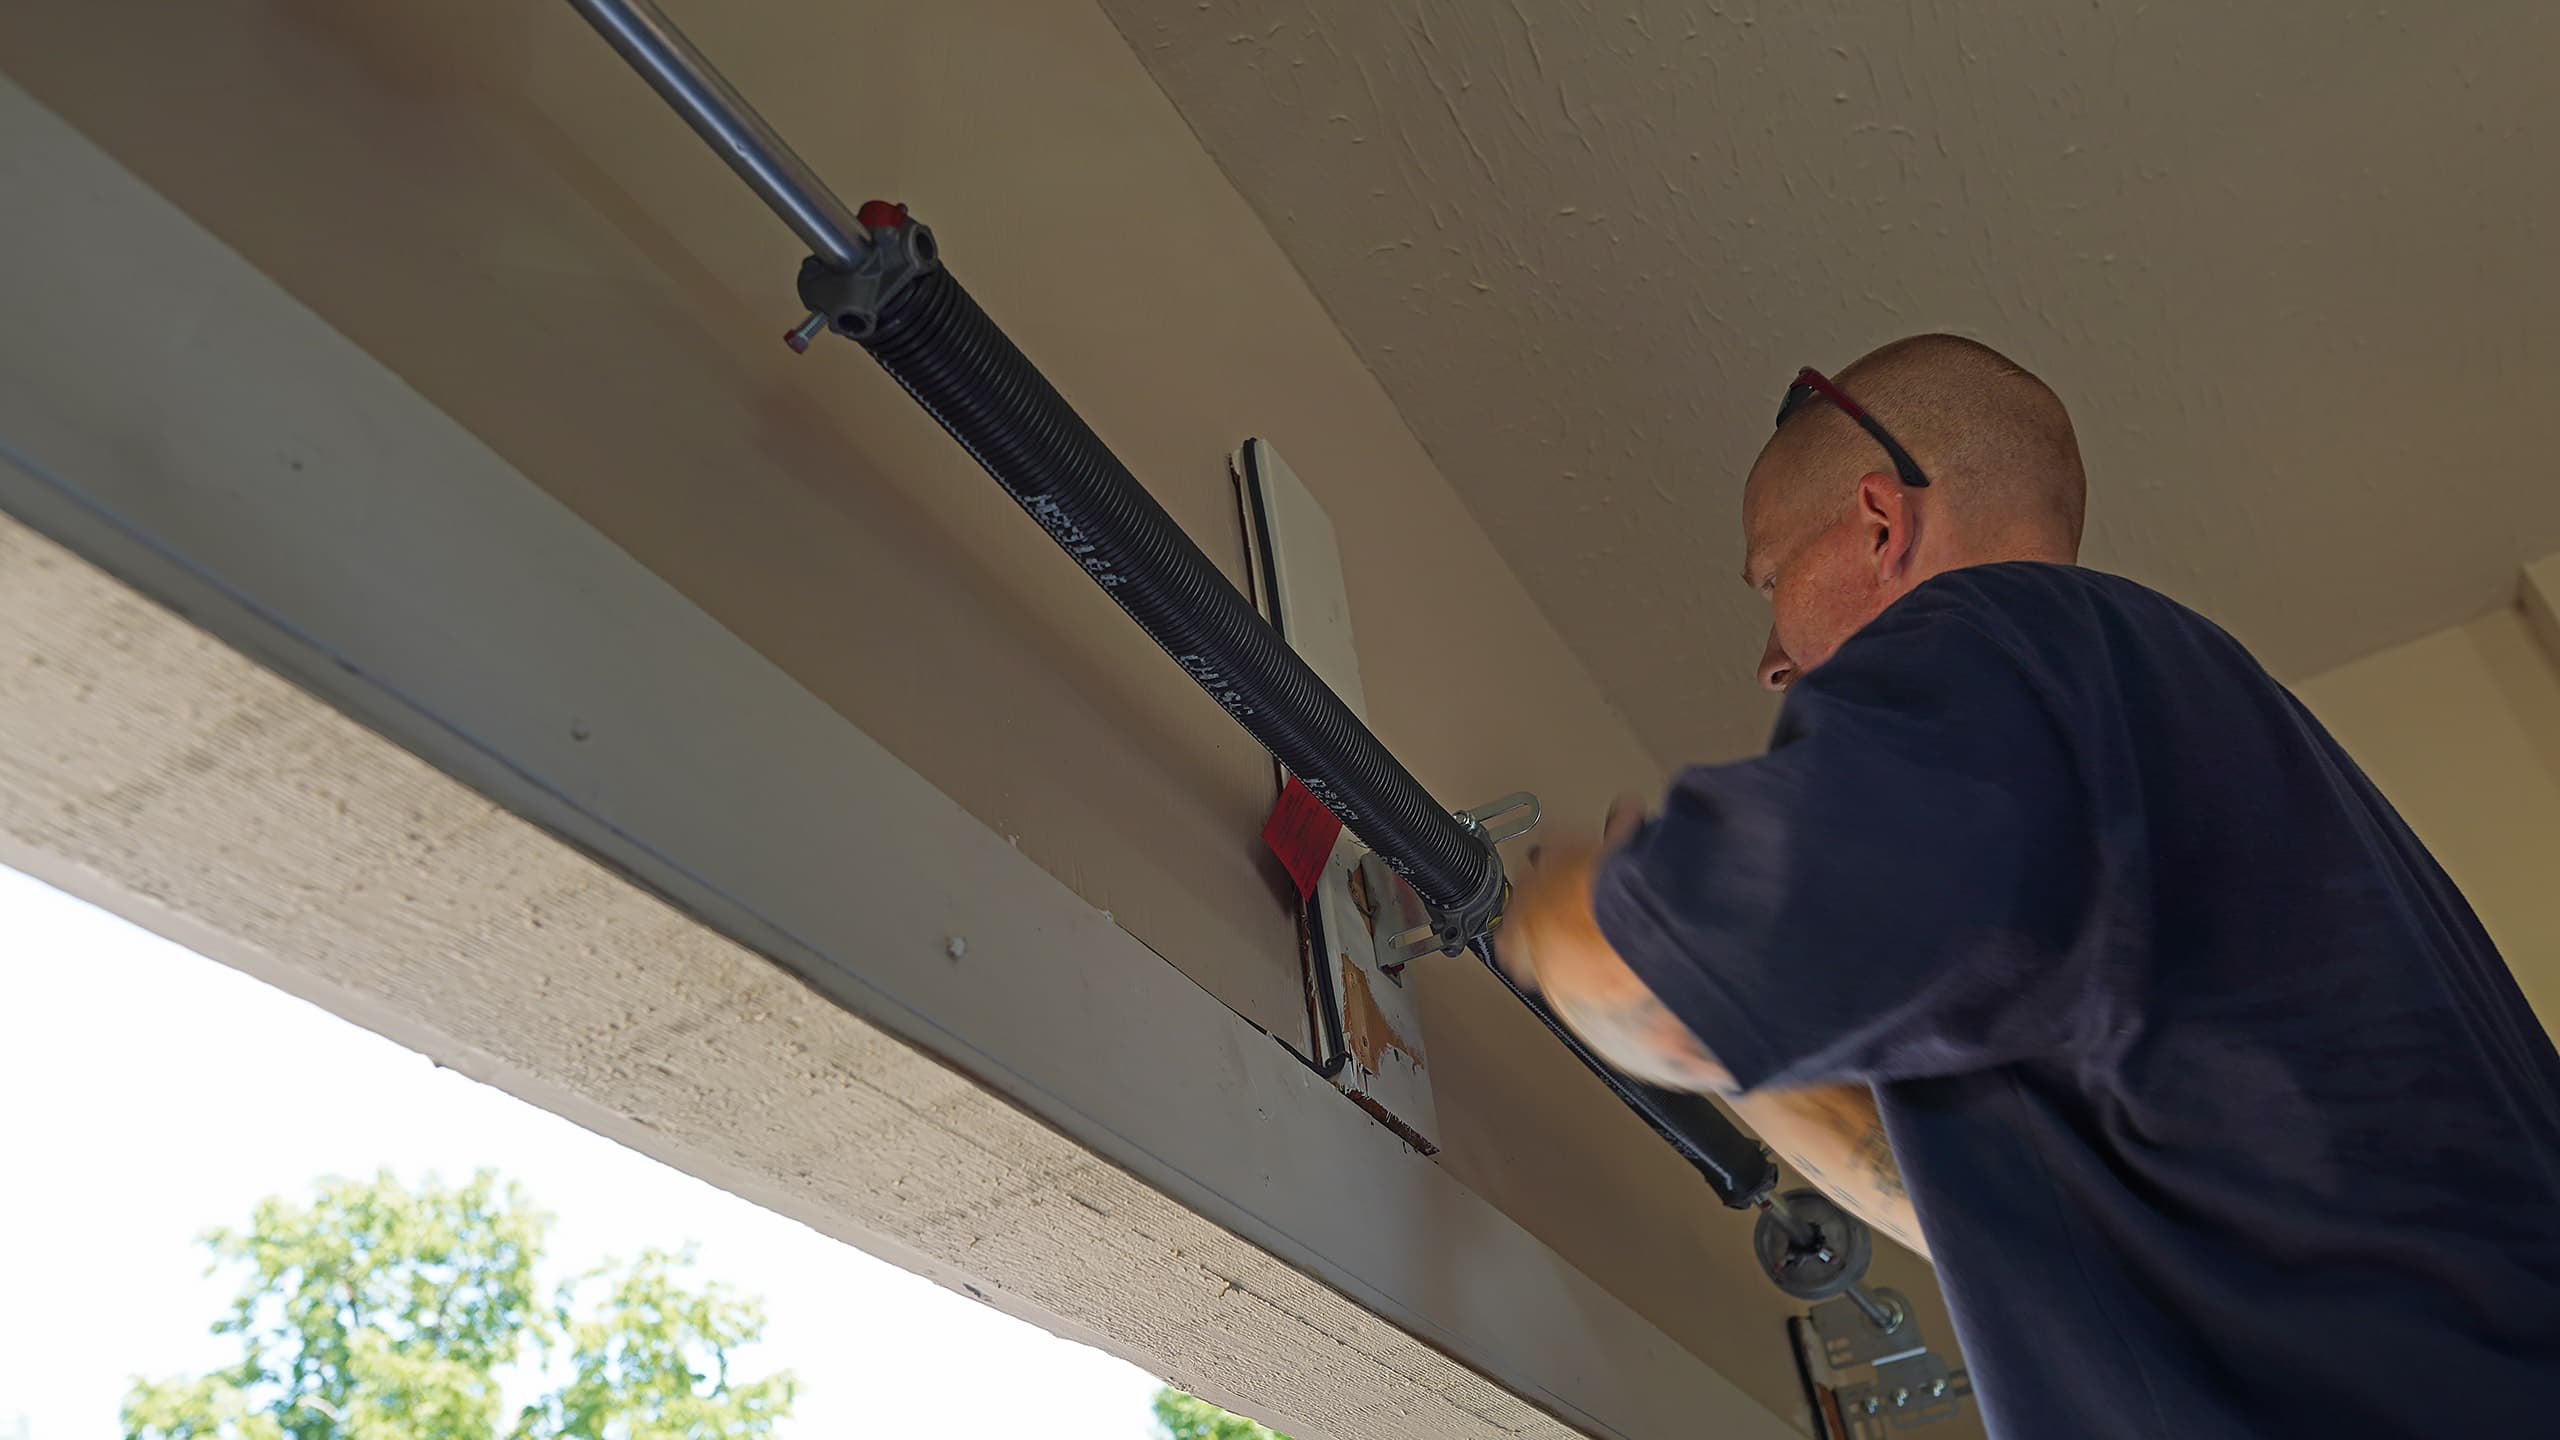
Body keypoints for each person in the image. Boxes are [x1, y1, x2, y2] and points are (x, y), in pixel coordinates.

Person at [1501, 335, 2560, 1438]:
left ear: (1878, 521)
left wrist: (1562, 901)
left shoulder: (2003, 641)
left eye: (1772, 578)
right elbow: (1970, 1210)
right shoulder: (2155, 733)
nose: (1769, 654)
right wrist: (1735, 1042)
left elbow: (1636, 966)